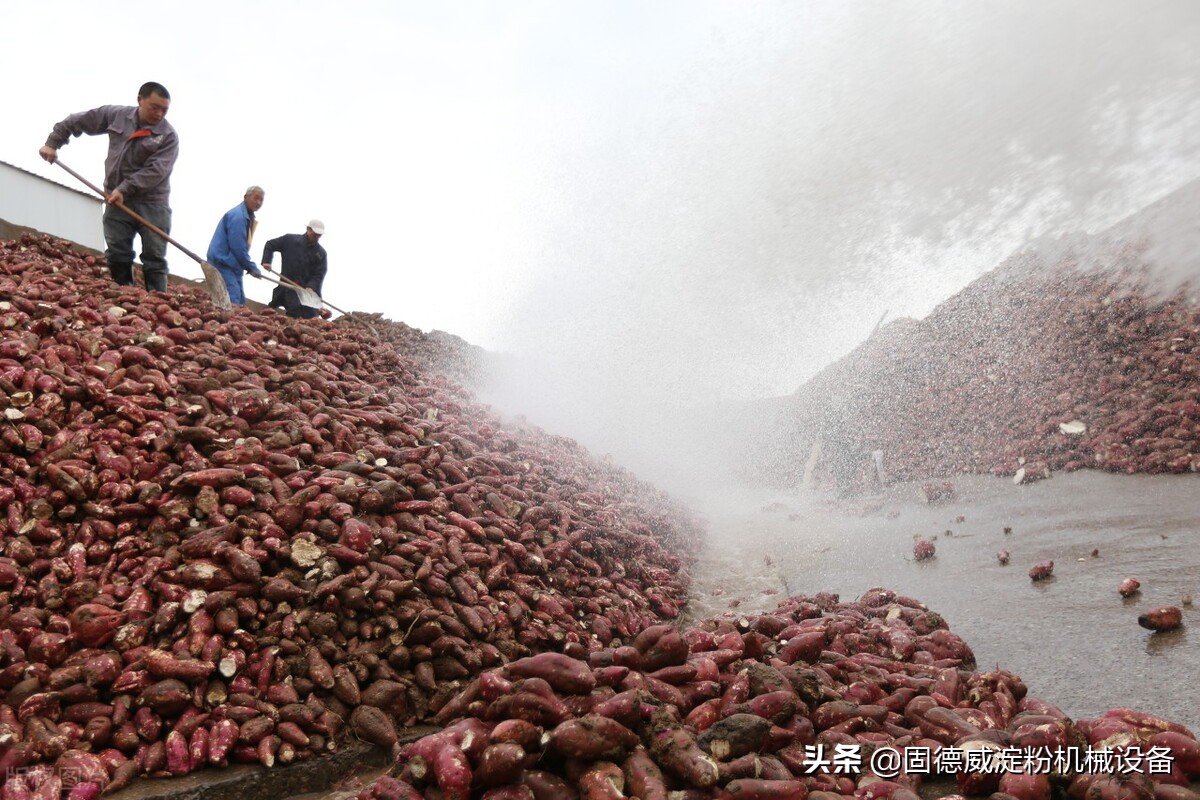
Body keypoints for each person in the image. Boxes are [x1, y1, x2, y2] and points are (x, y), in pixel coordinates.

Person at [39, 82, 178, 292]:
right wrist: (53, 142)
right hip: (115, 197)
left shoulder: (167, 136)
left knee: (155, 258)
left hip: (152, 203)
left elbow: (156, 171)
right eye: (154, 107)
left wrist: (124, 189)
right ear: (140, 99)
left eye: (164, 110)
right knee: (117, 253)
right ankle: (124, 295)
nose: (159, 114)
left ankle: (159, 301)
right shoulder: (116, 115)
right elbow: (78, 120)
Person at [206, 186, 265, 305]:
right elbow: (238, 247)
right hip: (223, 263)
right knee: (233, 299)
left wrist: (247, 266)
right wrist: (251, 266)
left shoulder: (248, 217)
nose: (258, 202)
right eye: (256, 198)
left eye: (261, 200)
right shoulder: (239, 217)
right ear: (246, 197)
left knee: (240, 302)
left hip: (234, 266)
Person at [262, 220, 328, 319]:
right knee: (275, 309)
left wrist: (311, 286)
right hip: (286, 285)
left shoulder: (321, 254)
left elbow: (319, 274)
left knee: (309, 317)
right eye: (315, 234)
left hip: (306, 292)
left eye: (319, 235)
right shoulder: (290, 240)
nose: (317, 237)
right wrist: (266, 261)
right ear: (308, 230)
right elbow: (270, 244)